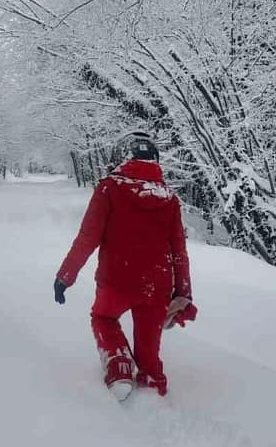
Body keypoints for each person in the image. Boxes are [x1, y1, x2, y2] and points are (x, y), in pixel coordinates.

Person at [54, 131, 196, 400]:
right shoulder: (169, 197)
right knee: (149, 351)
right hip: (158, 285)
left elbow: (88, 238)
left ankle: (119, 366)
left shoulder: (109, 188)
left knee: (103, 318)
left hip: (116, 279)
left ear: (123, 157)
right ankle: (153, 385)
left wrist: (65, 276)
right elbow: (179, 251)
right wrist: (183, 292)